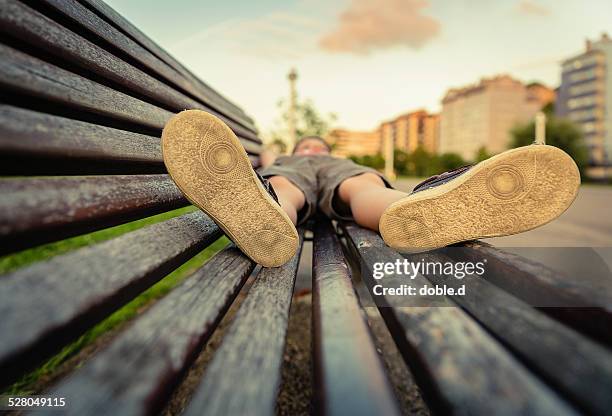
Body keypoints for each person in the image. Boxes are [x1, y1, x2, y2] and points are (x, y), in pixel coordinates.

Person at [162, 110, 580, 267]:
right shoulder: (286, 161)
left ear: (326, 149)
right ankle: (263, 216)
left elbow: (348, 175)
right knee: (285, 188)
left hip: (344, 175)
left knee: (363, 189)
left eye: (317, 145)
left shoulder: (342, 161)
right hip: (293, 178)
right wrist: (269, 168)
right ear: (297, 149)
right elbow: (267, 167)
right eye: (307, 145)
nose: (313, 147)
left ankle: (418, 209)